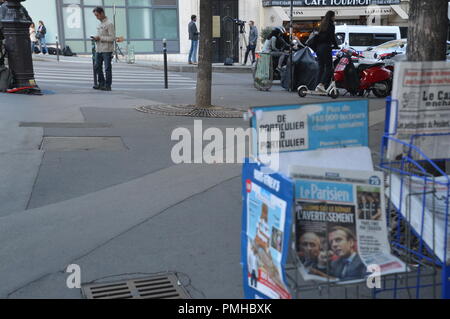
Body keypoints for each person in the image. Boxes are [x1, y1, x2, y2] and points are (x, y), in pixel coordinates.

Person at [92, 6, 115, 91]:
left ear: (102, 13)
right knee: (97, 66)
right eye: (95, 15)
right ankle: (101, 83)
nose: (96, 17)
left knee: (107, 68)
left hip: (107, 50)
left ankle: (108, 85)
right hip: (99, 49)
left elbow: (112, 38)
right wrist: (96, 38)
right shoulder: (100, 24)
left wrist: (100, 38)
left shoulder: (109, 24)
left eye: (97, 15)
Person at [315, 11, 339, 92]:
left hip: (318, 48)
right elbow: (332, 37)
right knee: (329, 67)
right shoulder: (331, 25)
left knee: (321, 67)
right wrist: (336, 46)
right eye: (334, 16)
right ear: (331, 16)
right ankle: (321, 84)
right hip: (326, 47)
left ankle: (317, 85)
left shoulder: (322, 24)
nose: (335, 17)